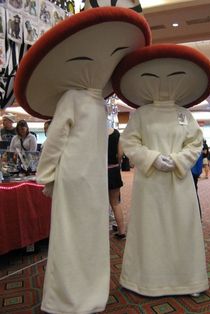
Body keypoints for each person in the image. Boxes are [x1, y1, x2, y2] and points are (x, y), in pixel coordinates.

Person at [14, 6, 151, 314]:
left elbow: (56, 140)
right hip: (91, 179)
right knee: (89, 236)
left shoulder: (75, 99)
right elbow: (69, 140)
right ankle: (88, 293)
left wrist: (46, 176)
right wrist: (50, 175)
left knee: (71, 237)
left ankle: (69, 298)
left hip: (75, 179)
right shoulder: (95, 104)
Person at [112, 43, 210, 297]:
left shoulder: (185, 115)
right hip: (151, 182)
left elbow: (195, 142)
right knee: (150, 229)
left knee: (183, 227)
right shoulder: (141, 114)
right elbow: (129, 142)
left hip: (179, 182)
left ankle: (189, 280)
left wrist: (179, 159)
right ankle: (143, 280)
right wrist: (152, 158)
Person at [108, 126, 126, 239]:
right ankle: (122, 231)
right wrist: (117, 164)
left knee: (99, 204)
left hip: (98, 172)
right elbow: (120, 154)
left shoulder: (93, 131)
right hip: (114, 170)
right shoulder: (115, 132)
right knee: (115, 203)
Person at [191, 153, 203, 219]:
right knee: (194, 194)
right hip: (194, 173)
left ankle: (197, 216)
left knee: (193, 194)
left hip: (191, 173)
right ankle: (198, 216)